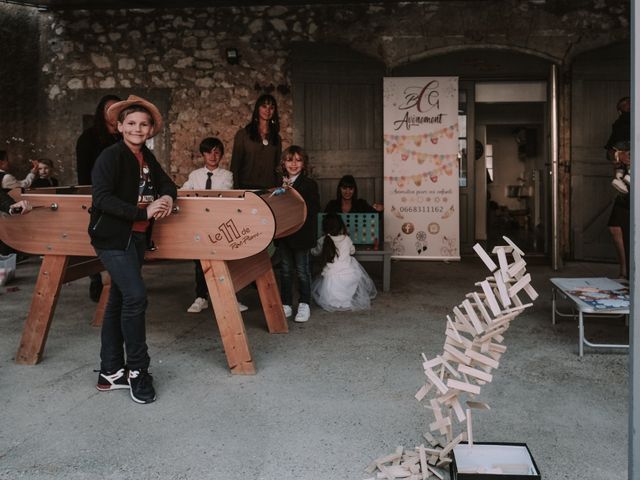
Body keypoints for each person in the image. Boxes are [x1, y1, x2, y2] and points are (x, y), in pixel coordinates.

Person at [89, 95, 177, 404]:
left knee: (119, 300)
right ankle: (138, 370)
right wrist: (143, 212)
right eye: (131, 123)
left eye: (143, 124)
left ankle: (110, 371)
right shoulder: (110, 157)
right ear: (120, 126)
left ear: (150, 129)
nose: (137, 129)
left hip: (136, 239)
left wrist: (166, 199)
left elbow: (168, 185)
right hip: (112, 239)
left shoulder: (147, 158)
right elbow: (101, 199)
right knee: (136, 297)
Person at [180, 137, 248, 314]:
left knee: (224, 261)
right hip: (199, 224)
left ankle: (231, 298)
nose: (213, 155)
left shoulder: (227, 176)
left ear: (222, 155)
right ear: (203, 154)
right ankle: (201, 297)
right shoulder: (195, 176)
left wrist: (201, 198)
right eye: (209, 152)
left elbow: (223, 196)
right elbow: (185, 192)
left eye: (217, 152)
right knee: (199, 263)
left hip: (219, 224)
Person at [76, 94, 122, 302]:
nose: (112, 113)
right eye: (108, 109)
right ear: (101, 113)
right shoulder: (89, 137)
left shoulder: (125, 135)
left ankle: (119, 279)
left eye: (116, 108)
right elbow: (83, 172)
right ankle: (95, 278)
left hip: (122, 195)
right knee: (96, 238)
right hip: (98, 194)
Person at [277, 145, 320, 323]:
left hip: (301, 235)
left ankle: (304, 303)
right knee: (285, 270)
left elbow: (313, 209)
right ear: (283, 163)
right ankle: (286, 303)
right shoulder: (279, 182)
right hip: (284, 234)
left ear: (304, 164)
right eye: (289, 160)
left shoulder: (310, 184)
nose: (293, 164)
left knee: (303, 271)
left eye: (298, 160)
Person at [311, 213, 377, 312]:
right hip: (349, 276)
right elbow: (352, 251)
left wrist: (310, 249)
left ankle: (335, 297)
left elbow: (315, 252)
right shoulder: (346, 239)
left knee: (323, 279)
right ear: (341, 226)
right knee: (351, 262)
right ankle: (346, 295)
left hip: (332, 278)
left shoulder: (323, 240)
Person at [230, 93, 281, 189]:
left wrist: (278, 189)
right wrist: (236, 189)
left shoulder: (276, 137)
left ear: (274, 111)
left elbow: (278, 167)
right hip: (245, 187)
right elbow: (235, 165)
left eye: (271, 107)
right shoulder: (243, 134)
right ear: (258, 108)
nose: (268, 110)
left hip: (269, 189)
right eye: (264, 106)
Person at [605, 96, 631, 280]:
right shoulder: (620, 126)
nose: (624, 110)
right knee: (615, 227)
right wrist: (618, 155)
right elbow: (609, 151)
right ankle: (624, 272)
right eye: (621, 108)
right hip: (628, 186)